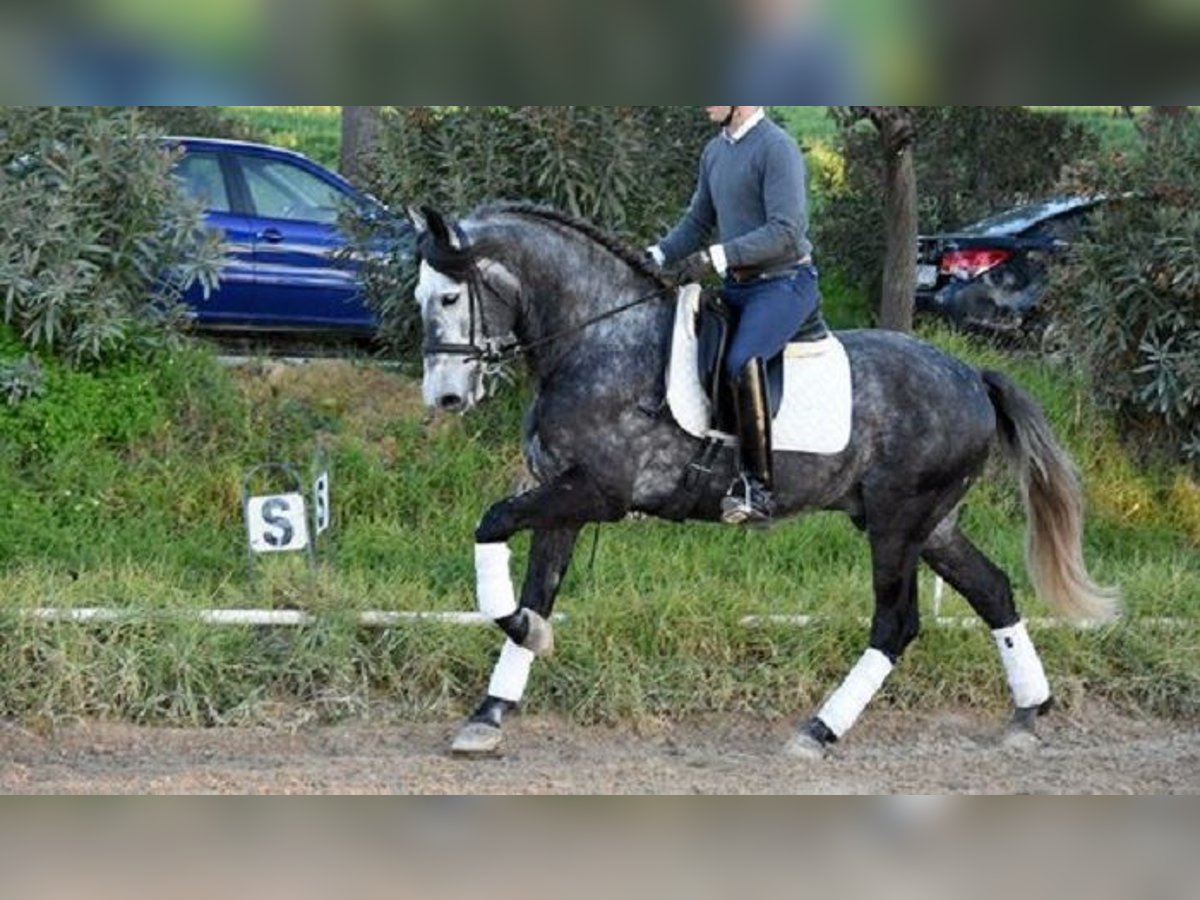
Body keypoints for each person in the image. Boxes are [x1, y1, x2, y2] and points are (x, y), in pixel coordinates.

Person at [647, 106, 821, 526]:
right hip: (738, 288)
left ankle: (758, 489)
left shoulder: (776, 148)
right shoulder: (715, 152)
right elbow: (698, 220)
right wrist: (653, 255)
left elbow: (786, 230)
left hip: (784, 283)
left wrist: (716, 256)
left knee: (741, 360)